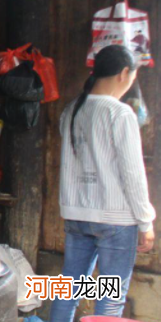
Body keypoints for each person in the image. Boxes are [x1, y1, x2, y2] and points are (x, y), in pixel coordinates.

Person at [50, 45, 156, 321]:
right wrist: (145, 221)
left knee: (69, 289)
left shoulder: (72, 110)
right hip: (115, 219)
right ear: (124, 73)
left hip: (76, 216)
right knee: (110, 298)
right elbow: (133, 175)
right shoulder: (119, 114)